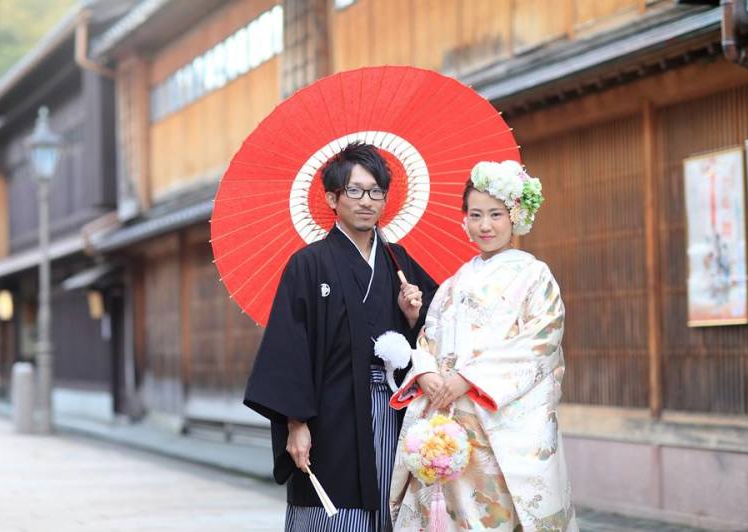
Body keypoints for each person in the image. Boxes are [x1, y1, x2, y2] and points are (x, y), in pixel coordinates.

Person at [244, 142, 438, 532]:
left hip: (393, 409)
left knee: (391, 502)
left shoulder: (398, 262)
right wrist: (295, 423)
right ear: (332, 198)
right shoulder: (308, 264)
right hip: (328, 415)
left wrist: (417, 317)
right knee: (331, 509)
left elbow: (441, 331)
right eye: (355, 190)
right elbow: (289, 348)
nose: (366, 201)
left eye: (376, 191)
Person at [389, 160, 578, 531]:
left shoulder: (534, 275)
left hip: (500, 424)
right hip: (451, 423)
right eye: (475, 215)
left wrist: (468, 379)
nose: (485, 225)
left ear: (515, 217)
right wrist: (426, 371)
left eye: (495, 214)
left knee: (497, 517)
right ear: (465, 221)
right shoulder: (453, 284)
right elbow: (429, 337)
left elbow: (541, 340)